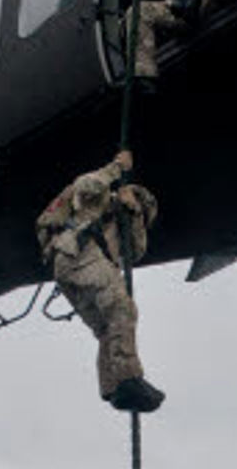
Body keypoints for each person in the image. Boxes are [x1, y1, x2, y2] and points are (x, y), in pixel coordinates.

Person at [36, 150, 161, 412]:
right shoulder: (100, 197)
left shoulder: (121, 220)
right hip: (80, 254)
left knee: (106, 328)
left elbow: (134, 252)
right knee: (122, 308)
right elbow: (86, 184)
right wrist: (117, 168)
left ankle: (112, 388)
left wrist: (134, 216)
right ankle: (128, 378)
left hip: (71, 268)